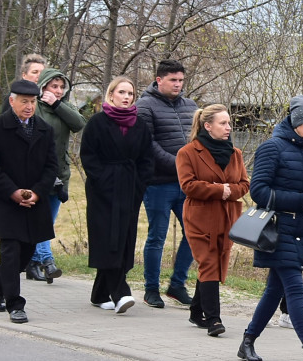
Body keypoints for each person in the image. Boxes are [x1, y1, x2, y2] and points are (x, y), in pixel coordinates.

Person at [237, 95, 303, 361]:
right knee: (294, 287)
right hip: (277, 230)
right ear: (295, 122)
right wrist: (300, 201)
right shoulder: (272, 148)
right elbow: (259, 191)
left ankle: (247, 341)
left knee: (274, 290)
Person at [0, 79, 59, 324]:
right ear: (12, 101)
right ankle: (14, 304)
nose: (29, 106)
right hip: (6, 199)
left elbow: (51, 167)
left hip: (35, 199)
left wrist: (37, 192)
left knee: (26, 252)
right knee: (11, 250)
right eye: (24, 101)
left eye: (33, 102)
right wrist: (13, 192)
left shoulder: (45, 130)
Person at [81, 77, 153, 314]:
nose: (126, 97)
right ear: (111, 94)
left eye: (130, 93)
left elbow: (146, 160)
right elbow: (88, 156)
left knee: (123, 239)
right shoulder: (97, 123)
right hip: (102, 191)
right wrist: (104, 179)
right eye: (121, 92)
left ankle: (100, 294)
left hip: (129, 189)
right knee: (106, 239)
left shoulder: (140, 125)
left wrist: (138, 186)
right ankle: (120, 292)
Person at [176, 104, 250, 336]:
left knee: (216, 263)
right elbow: (188, 185)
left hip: (227, 217)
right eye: (223, 123)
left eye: (229, 123)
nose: (229, 127)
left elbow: (244, 184)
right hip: (200, 217)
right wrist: (220, 190)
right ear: (208, 126)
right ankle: (214, 319)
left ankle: (196, 311)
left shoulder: (235, 154)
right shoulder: (188, 152)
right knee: (208, 262)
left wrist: (229, 191)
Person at [135, 59, 199, 308]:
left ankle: (177, 284)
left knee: (194, 233)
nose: (178, 84)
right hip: (158, 183)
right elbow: (148, 144)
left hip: (187, 184)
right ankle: (151, 289)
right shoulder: (144, 106)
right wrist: (180, 164)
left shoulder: (190, 106)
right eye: (173, 80)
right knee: (157, 237)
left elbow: (198, 140)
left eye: (181, 80)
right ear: (159, 79)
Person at [27, 66, 86, 283]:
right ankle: (47, 261)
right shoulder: (34, 107)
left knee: (48, 221)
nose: (58, 90)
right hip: (38, 173)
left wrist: (57, 104)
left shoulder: (64, 107)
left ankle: (33, 263)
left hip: (60, 173)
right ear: (43, 87)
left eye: (62, 87)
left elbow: (79, 124)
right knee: (41, 220)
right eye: (54, 86)